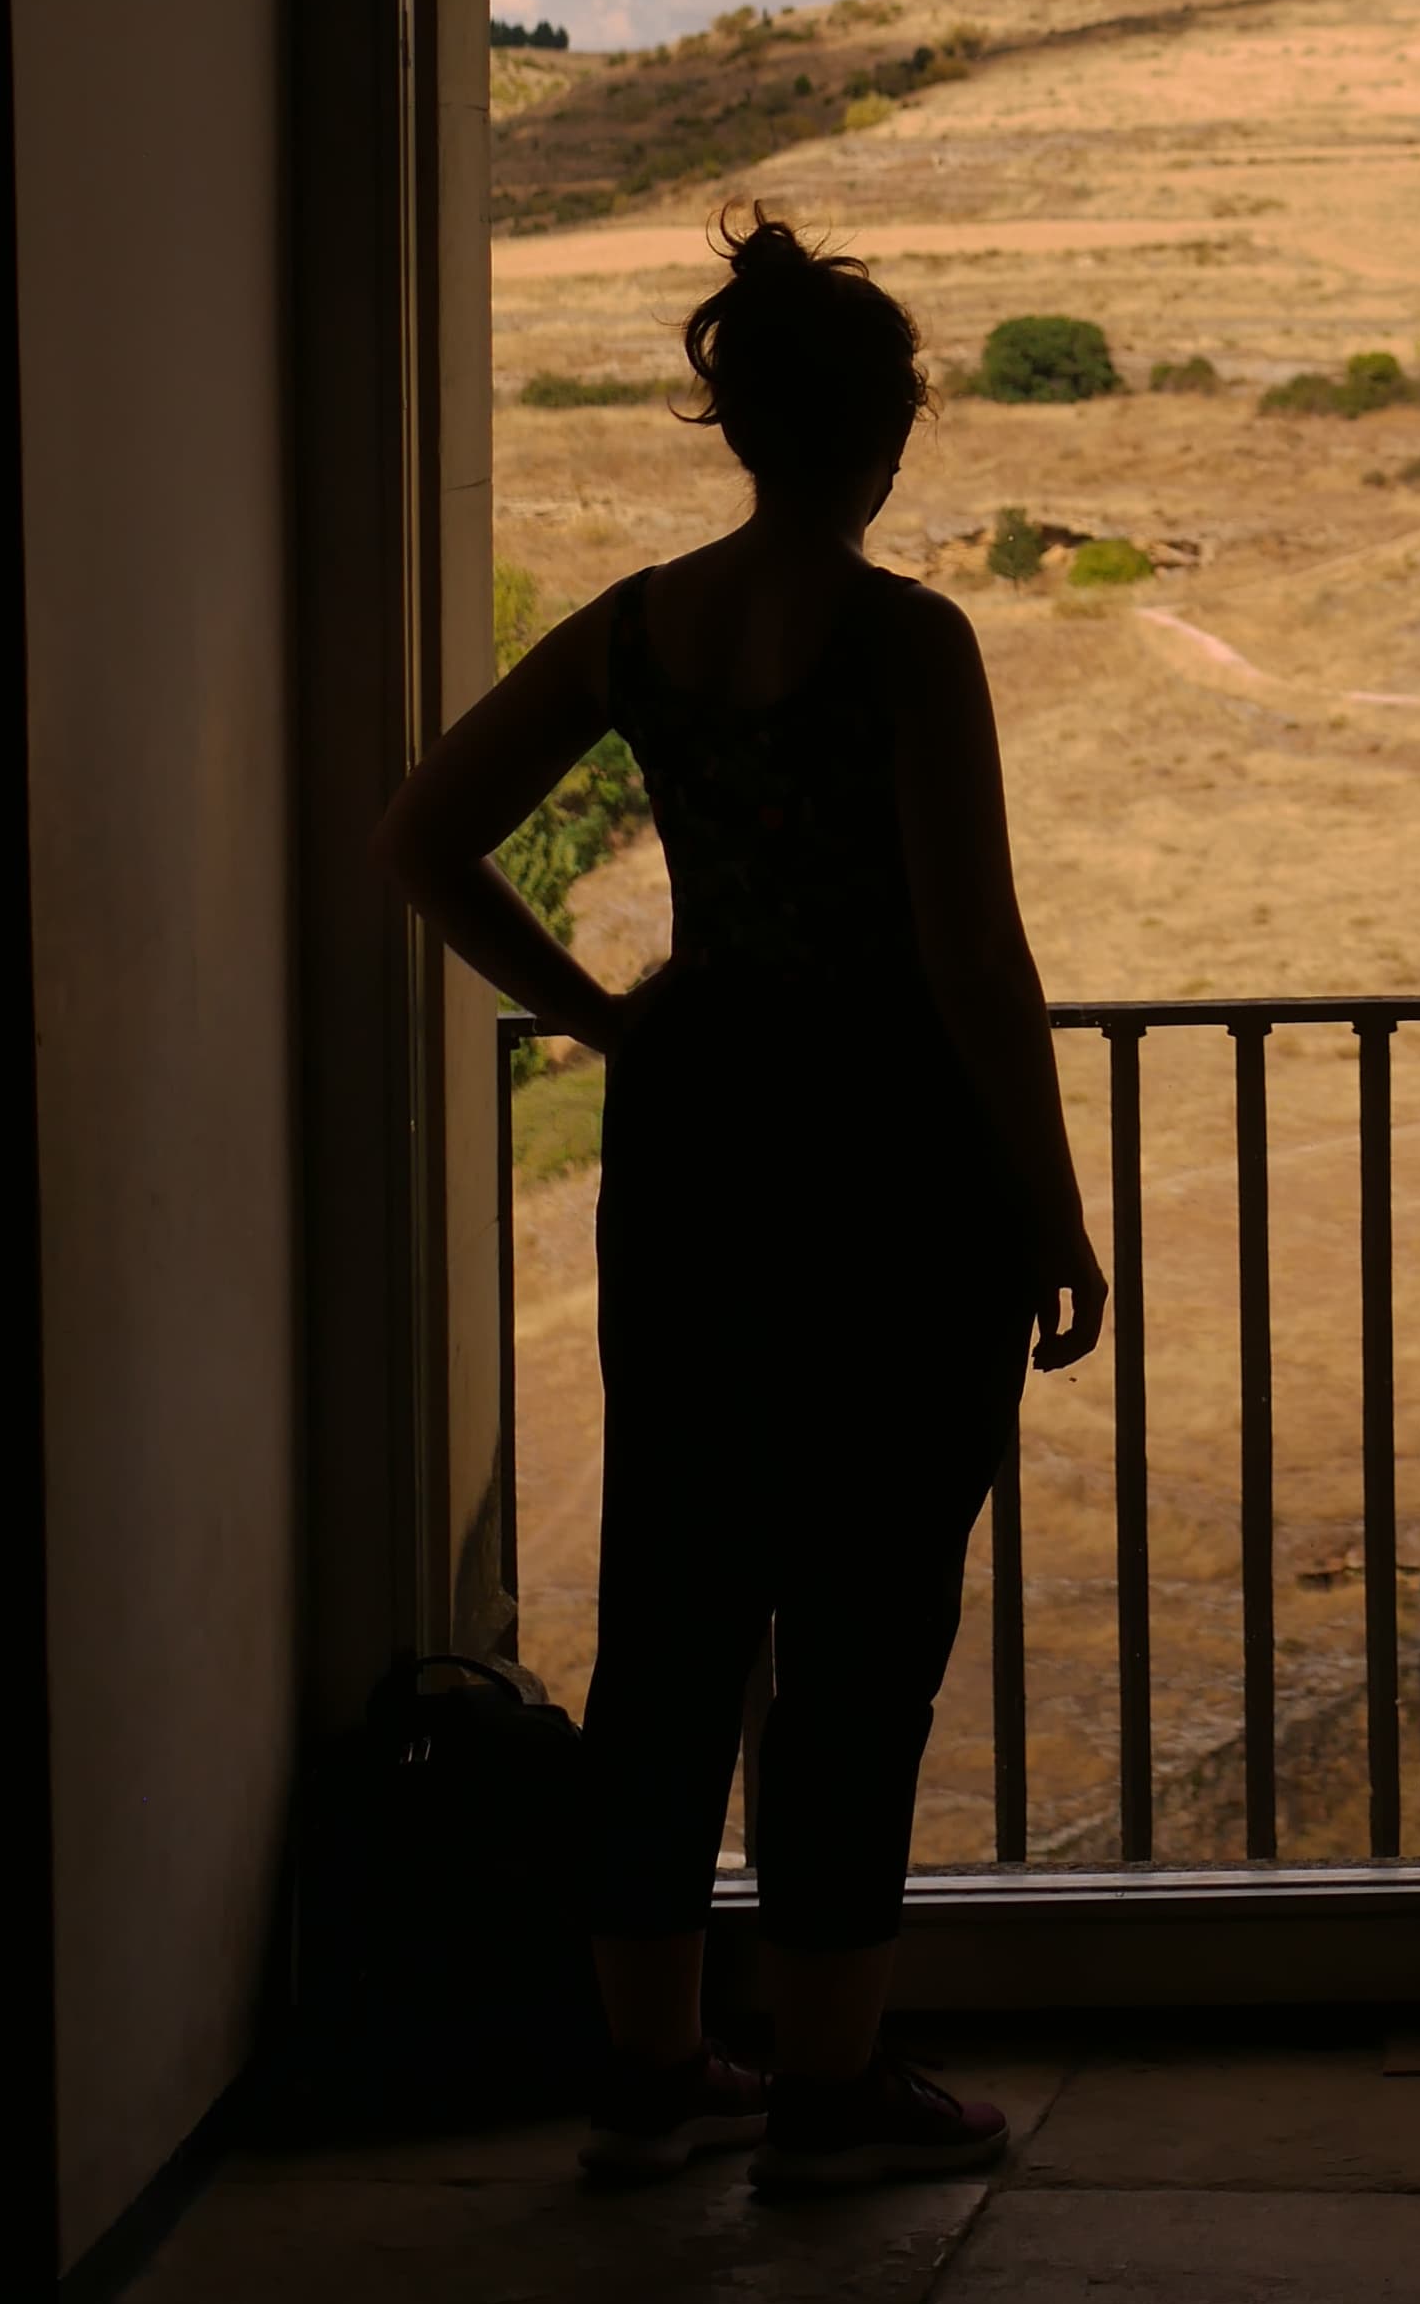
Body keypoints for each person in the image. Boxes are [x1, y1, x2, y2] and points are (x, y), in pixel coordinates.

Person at [378, 209, 1103, 2195]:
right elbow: (971, 952)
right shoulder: (905, 642)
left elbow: (423, 835)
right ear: (887, 428)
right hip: (892, 1161)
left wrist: (611, 1016)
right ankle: (828, 2085)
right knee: (866, 1615)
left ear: (740, 423)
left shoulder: (638, 629)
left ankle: (646, 2064)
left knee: (678, 1597)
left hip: (696, 1140)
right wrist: (1051, 1209)